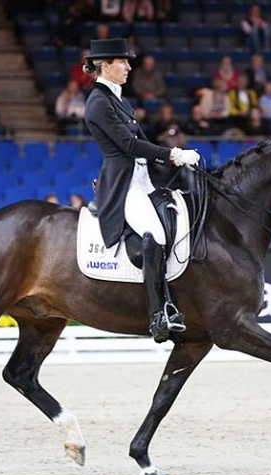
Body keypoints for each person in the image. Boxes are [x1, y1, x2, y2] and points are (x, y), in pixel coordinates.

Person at [82, 38, 199, 342]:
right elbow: (130, 145)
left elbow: (144, 142)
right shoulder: (97, 102)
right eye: (123, 62)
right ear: (105, 65)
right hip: (124, 186)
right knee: (155, 234)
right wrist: (174, 154)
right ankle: (158, 314)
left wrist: (178, 163)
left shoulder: (121, 100)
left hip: (143, 179)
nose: (129, 67)